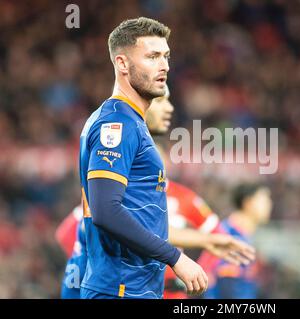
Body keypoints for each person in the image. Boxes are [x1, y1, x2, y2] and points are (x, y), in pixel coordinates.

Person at [57, 85, 255, 298]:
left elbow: (141, 225)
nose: (169, 108)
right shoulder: (119, 145)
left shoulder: (139, 165)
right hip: (112, 287)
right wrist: (181, 255)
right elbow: (110, 218)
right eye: (160, 100)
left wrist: (206, 241)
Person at [78, 17, 207, 299]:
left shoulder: (132, 123)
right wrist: (176, 258)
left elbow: (138, 212)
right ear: (122, 64)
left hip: (134, 287)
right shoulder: (117, 124)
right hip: (119, 288)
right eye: (152, 56)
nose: (165, 66)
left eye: (166, 56)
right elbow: (106, 211)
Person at [198, 183, 273, 299]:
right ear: (248, 203)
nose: (269, 204)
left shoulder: (244, 237)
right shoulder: (228, 237)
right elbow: (226, 285)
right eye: (264, 199)